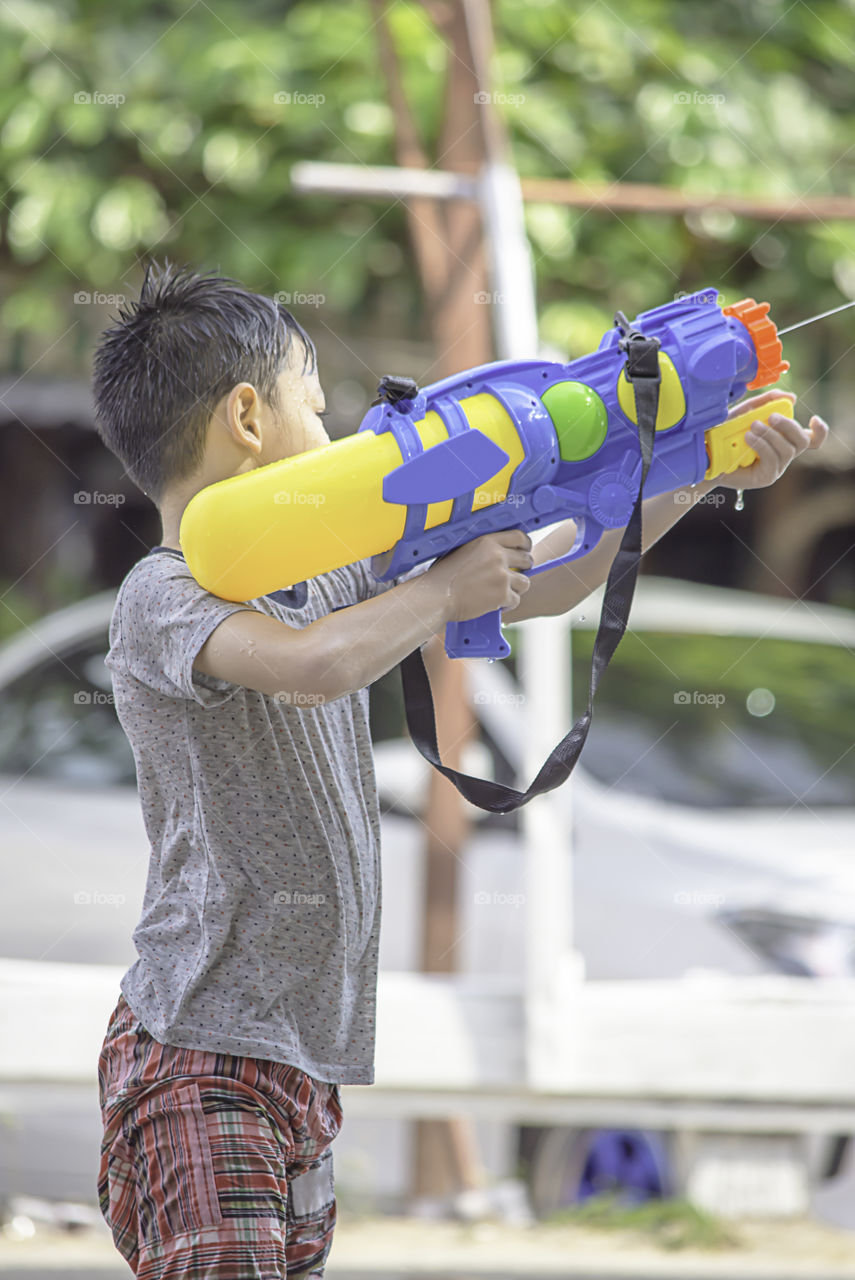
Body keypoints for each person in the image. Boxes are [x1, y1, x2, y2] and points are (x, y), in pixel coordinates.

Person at [92, 260, 827, 1277]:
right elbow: (316, 664)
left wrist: (700, 465)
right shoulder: (159, 593)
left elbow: (562, 578)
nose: (338, 425)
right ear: (249, 416)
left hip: (302, 1062)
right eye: (318, 399)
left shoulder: (335, 565)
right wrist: (443, 588)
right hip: (200, 1050)